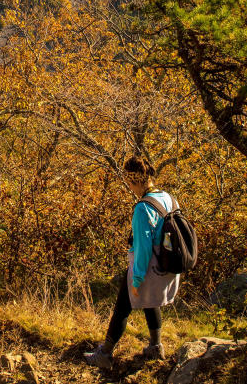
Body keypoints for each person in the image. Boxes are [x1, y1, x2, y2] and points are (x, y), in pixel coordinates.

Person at [83, 156, 180, 369]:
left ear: (135, 181)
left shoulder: (142, 209)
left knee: (122, 307)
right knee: (150, 301)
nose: (129, 187)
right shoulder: (169, 198)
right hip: (167, 266)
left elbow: (143, 248)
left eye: (129, 182)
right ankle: (156, 346)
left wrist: (137, 279)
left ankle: (105, 354)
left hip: (148, 268)